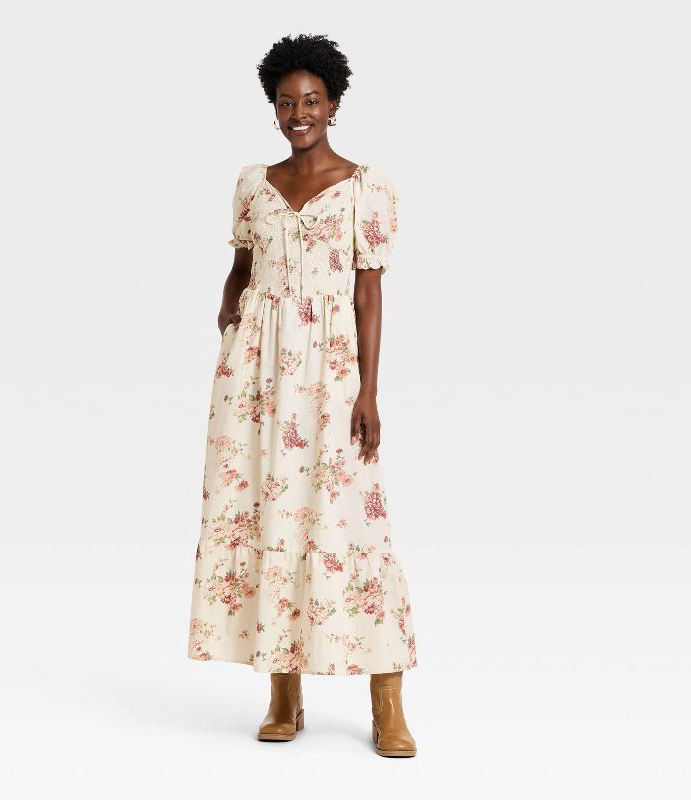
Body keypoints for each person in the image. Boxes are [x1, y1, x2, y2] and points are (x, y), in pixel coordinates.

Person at [187, 33, 418, 757]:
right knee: (267, 517)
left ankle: (387, 702)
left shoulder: (365, 185)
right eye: (286, 103)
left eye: (312, 101)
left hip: (331, 373)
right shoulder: (253, 183)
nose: (299, 114)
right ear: (274, 110)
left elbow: (368, 294)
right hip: (254, 378)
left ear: (335, 104)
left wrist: (369, 392)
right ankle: (283, 693)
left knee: (354, 525)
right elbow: (242, 264)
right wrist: (230, 312)